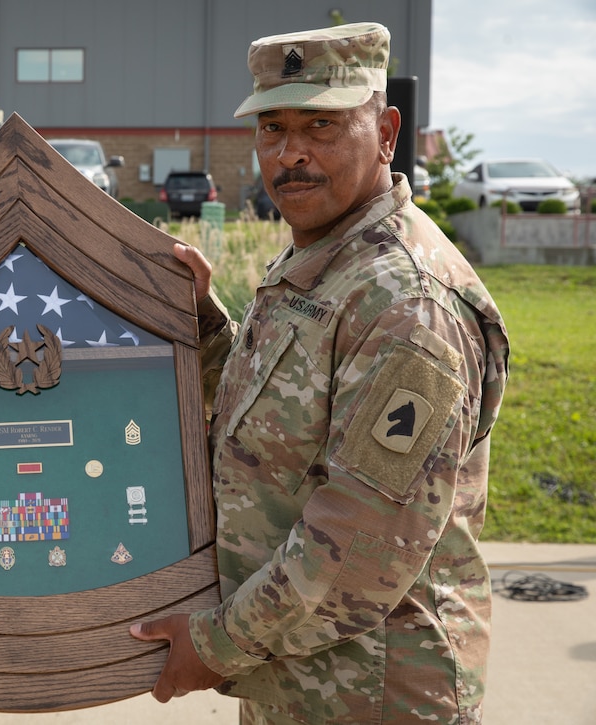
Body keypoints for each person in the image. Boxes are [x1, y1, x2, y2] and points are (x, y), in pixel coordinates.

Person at [132, 22, 510, 724]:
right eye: (271, 127)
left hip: (377, 692)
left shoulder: (406, 303)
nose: (291, 153)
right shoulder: (326, 261)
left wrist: (213, 645)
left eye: (322, 125)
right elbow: (276, 416)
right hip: (297, 680)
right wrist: (206, 327)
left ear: (387, 132)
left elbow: (359, 542)